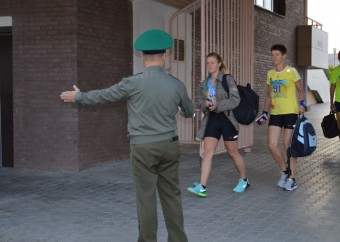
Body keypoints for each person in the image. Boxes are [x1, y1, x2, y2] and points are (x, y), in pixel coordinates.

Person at [60, 29, 195, 242]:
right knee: (172, 196)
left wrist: (79, 96)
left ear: (142, 57)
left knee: (146, 198)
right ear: (163, 56)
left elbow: (104, 95)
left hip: (142, 148)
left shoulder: (132, 83)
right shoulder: (176, 84)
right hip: (169, 146)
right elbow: (190, 111)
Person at [187, 52, 249, 197]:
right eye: (208, 62)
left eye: (212, 62)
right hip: (212, 119)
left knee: (232, 152)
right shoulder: (204, 83)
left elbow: (235, 100)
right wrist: (206, 104)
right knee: (207, 153)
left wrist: (218, 105)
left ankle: (244, 179)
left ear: (219, 64)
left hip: (227, 119)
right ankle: (202, 187)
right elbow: (201, 102)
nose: (210, 65)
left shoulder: (227, 79)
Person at [257, 44, 305, 191]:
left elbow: (300, 89)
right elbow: (269, 94)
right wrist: (264, 113)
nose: (274, 57)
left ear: (283, 56)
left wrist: (302, 104)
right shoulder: (270, 73)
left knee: (288, 146)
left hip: (290, 112)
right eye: (272, 55)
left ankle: (292, 179)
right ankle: (285, 170)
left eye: (277, 55)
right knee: (272, 145)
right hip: (276, 113)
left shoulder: (292, 71)